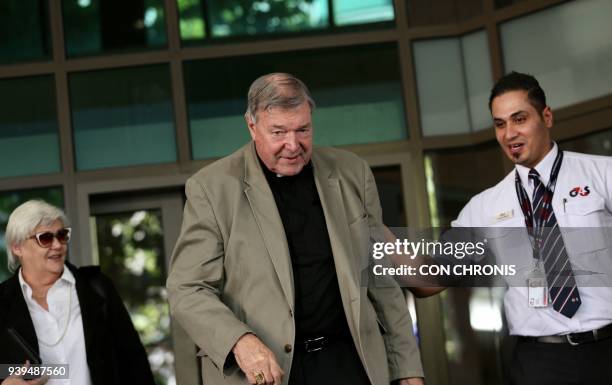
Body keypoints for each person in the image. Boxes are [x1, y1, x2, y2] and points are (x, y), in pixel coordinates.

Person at [166, 73, 424, 385]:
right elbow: (188, 289)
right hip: (266, 374)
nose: (293, 145)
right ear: (252, 126)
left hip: (349, 363)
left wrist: (407, 368)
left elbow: (381, 280)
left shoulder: (352, 172)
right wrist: (239, 341)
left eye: (303, 130)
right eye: (278, 132)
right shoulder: (211, 188)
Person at [450, 72, 612, 384]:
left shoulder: (601, 174)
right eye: (500, 124)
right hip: (539, 363)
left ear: (546, 117)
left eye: (519, 118)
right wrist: (378, 239)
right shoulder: (484, 206)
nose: (509, 133)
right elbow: (430, 276)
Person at [0, 200, 156, 385]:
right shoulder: (2, 303)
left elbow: (134, 363)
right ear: (17, 247)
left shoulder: (97, 288)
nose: (58, 245)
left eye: (62, 235)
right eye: (46, 238)